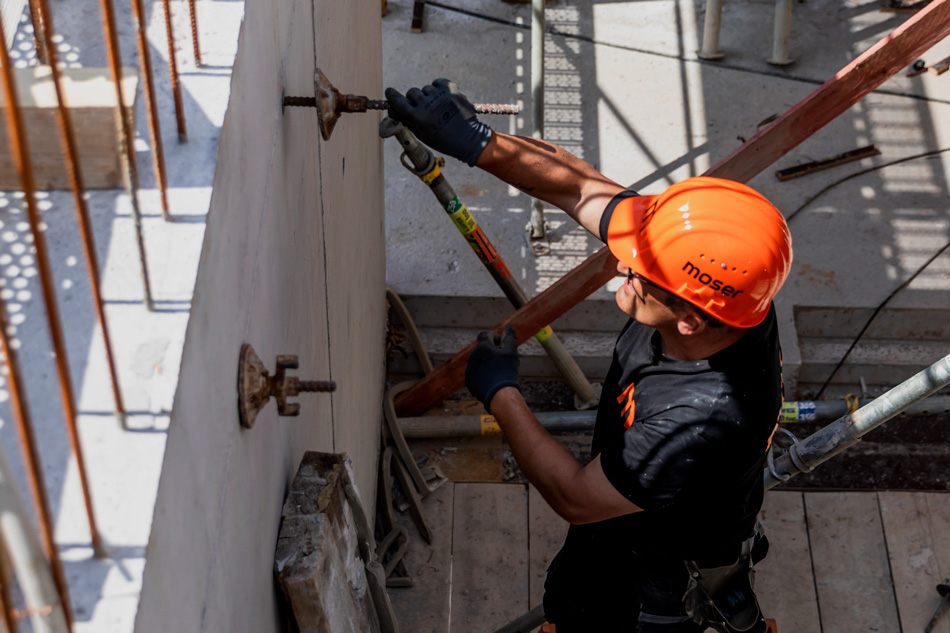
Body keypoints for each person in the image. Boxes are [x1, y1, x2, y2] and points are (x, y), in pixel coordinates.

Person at [386, 79, 792, 633]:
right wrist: (475, 141)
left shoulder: (702, 424)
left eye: (637, 271)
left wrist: (501, 393)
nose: (619, 265)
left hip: (636, 589)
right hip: (630, 519)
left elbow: (575, 497)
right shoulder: (726, 293)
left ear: (691, 318)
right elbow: (579, 188)